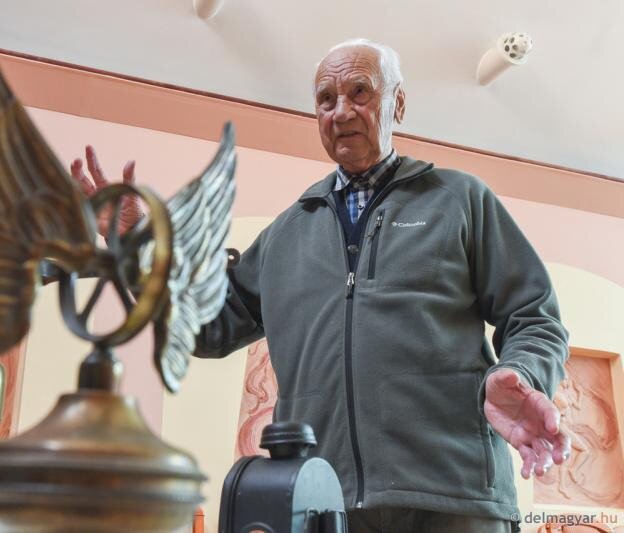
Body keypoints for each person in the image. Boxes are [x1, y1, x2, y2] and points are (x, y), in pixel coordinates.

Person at [70, 38, 570, 533]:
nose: (341, 111)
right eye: (326, 100)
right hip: (325, 502)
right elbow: (206, 326)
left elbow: (534, 316)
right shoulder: (286, 234)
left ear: (397, 103)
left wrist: (521, 371)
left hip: (455, 498)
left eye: (360, 92)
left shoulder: (459, 200)